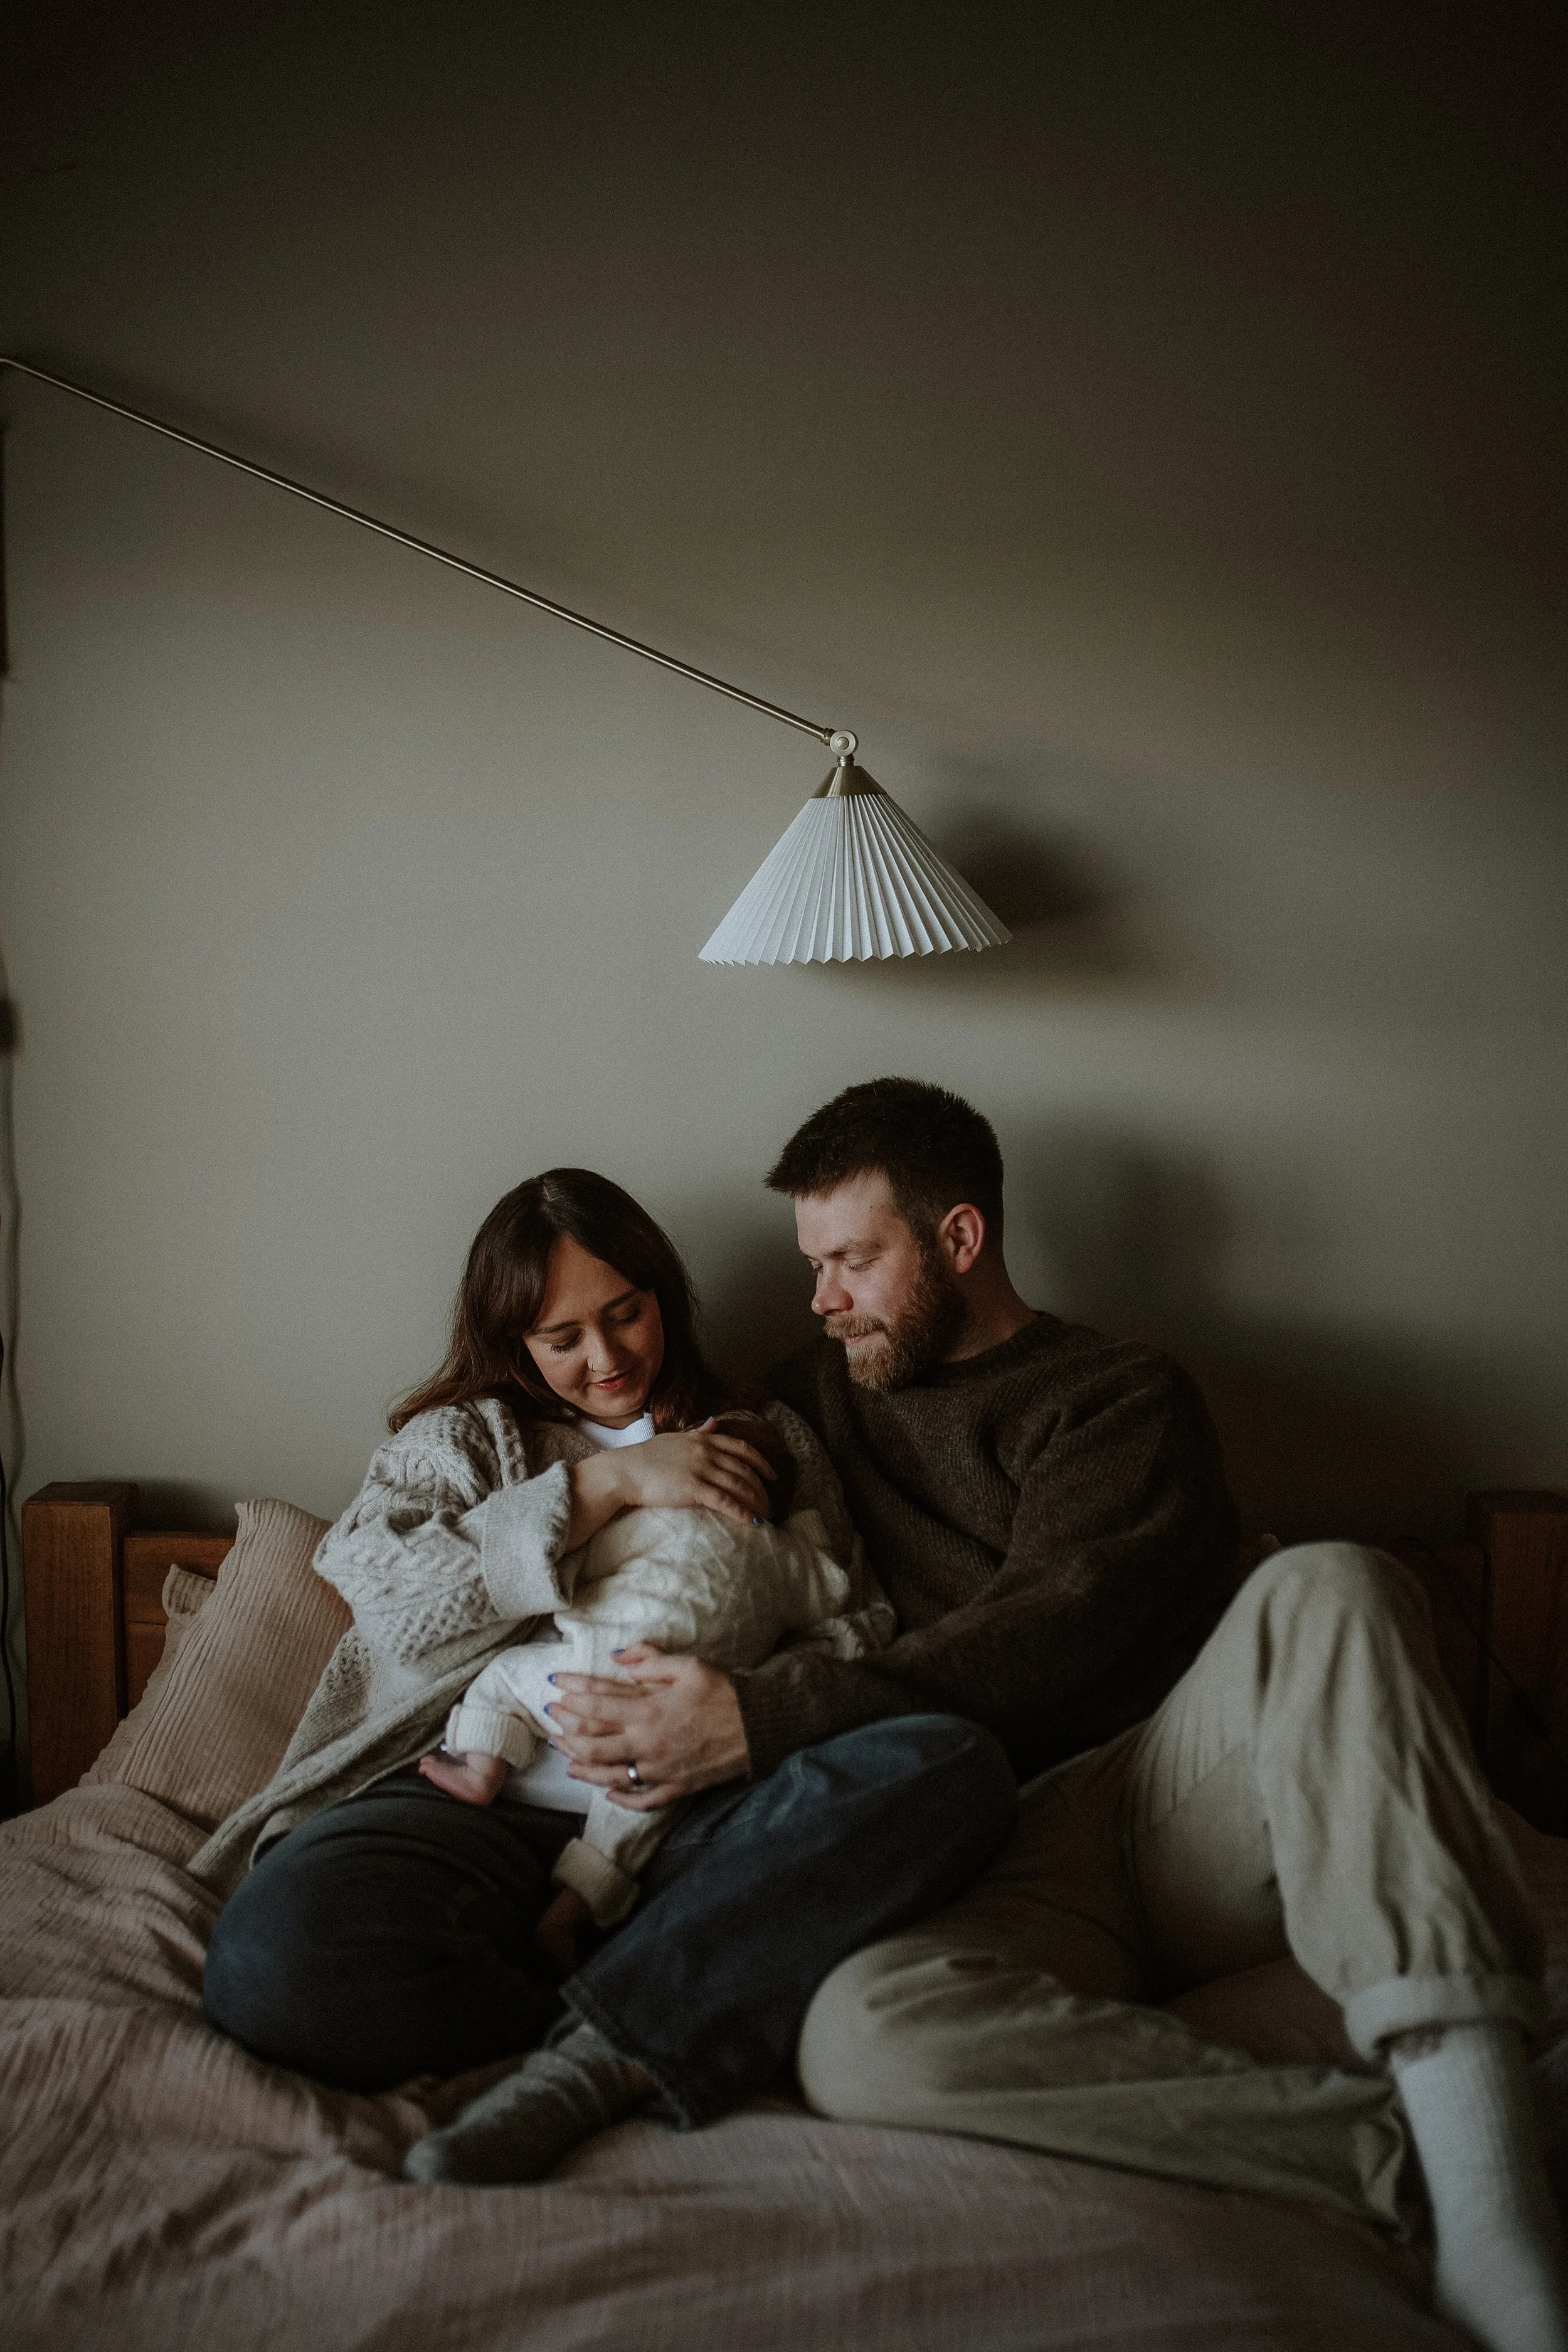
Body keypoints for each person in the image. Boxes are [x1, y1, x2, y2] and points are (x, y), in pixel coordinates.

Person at [543, 1081, 1566, 2352]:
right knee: (862, 2040)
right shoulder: (813, 1392)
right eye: (813, 1266)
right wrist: (607, 1477)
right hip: (990, 1845)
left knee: (1334, 1578)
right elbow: (612, 1459)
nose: (820, 1299)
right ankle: (1411, 2159)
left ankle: (1493, 2194)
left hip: (1176, 1796)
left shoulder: (1120, 1395)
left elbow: (1051, 1631)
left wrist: (760, 1718)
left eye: (852, 1262)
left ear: (958, 1242)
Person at [197, 1167, 1015, 2187]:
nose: (607, 1357)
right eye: (562, 1337)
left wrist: (729, 1714)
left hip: (692, 1810)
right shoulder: (465, 1440)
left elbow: (853, 1628)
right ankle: (635, 1998)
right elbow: (384, 1593)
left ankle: (592, 2056)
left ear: (664, 1298)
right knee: (267, 1969)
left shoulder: (762, 1438)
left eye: (627, 1314)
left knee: (949, 1765)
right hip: (473, 1793)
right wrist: (604, 1482)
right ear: (515, 1344)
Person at [418, 1406, 889, 1939]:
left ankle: (483, 1766)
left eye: (626, 1315)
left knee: (503, 1677)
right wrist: (809, 1536)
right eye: (565, 1340)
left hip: (586, 1674)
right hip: (669, 1708)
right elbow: (834, 1594)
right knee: (633, 1817)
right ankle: (572, 1910)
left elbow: (579, 1568)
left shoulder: (657, 1514)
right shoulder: (785, 1558)